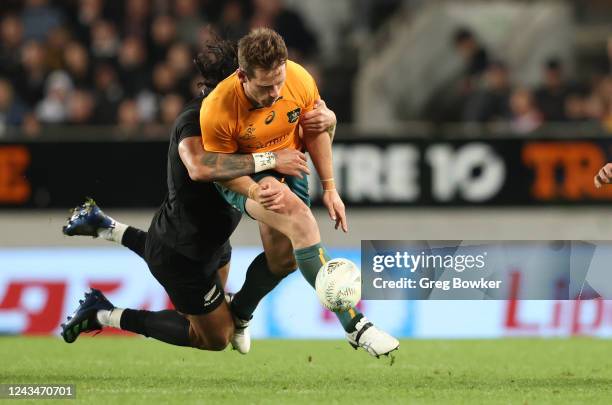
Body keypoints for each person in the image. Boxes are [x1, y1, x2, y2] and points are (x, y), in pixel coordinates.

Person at [60, 38, 315, 353]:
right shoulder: (195, 119)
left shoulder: (249, 117)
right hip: (184, 253)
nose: (267, 97)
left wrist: (322, 119)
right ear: (238, 82)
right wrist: (271, 160)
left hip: (215, 240)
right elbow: (198, 165)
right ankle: (102, 313)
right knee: (214, 337)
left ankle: (105, 226)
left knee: (222, 312)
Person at [200, 28, 399, 357]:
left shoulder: (298, 78)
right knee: (301, 221)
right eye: (265, 86)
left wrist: (330, 188)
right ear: (242, 75)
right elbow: (216, 169)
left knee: (284, 261)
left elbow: (316, 129)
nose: (276, 92)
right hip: (243, 173)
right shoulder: (218, 108)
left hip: (289, 164)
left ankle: (240, 311)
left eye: (279, 80)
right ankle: (355, 326)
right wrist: (252, 189)